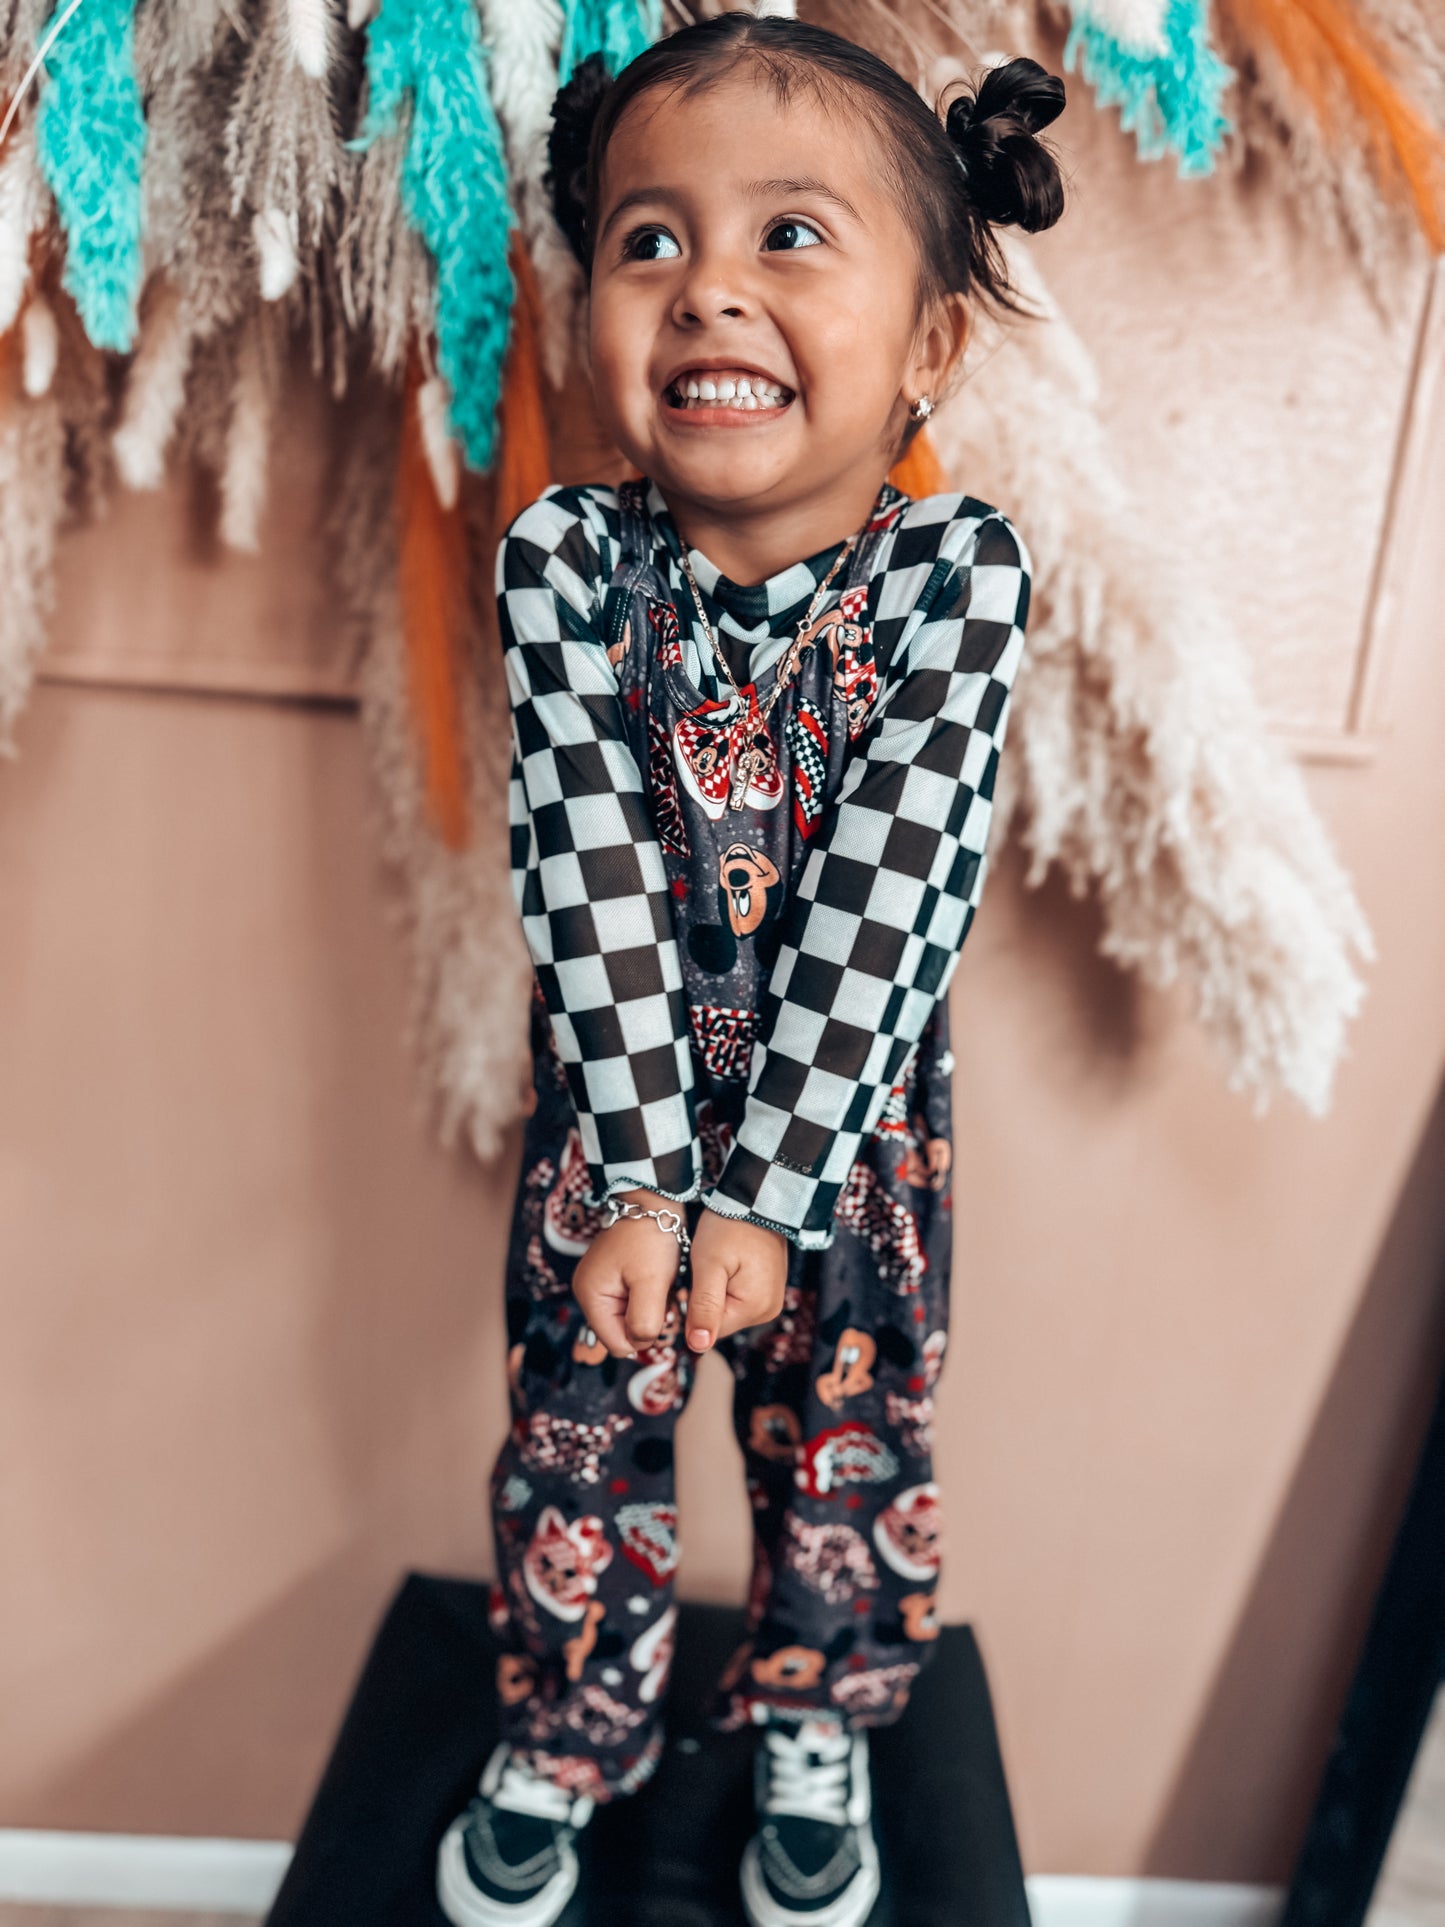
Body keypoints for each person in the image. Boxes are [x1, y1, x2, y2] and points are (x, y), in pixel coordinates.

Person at [435, 14, 1066, 1926]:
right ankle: (567, 1730)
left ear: (930, 345)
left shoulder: (952, 578)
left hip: (849, 1135)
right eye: (650, 241)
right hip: (610, 1125)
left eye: (791, 235)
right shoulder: (566, 563)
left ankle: (814, 1708)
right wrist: (642, 1180)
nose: (707, 284)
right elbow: (588, 872)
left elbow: (894, 894)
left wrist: (771, 1194)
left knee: (848, 1442)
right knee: (576, 1436)